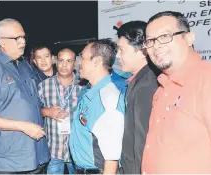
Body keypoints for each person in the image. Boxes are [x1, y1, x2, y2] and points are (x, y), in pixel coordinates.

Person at [0, 18, 50, 174]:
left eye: (23, 37)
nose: (22, 42)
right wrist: (24, 126)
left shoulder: (25, 66)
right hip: (9, 159)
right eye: (17, 38)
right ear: (2, 42)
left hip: (36, 154)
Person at [142, 11, 211, 174]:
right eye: (150, 41)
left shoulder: (208, 79)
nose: (156, 46)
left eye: (165, 36)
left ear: (189, 38)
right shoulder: (161, 89)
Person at [70, 39, 125, 174]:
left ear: (96, 61)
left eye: (82, 57)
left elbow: (111, 160)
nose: (78, 63)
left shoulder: (108, 100)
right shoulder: (90, 92)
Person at [116, 21, 159, 174]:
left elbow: (143, 143)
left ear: (142, 51)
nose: (117, 55)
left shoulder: (146, 87)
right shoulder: (140, 80)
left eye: (121, 50)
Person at [38, 48, 81, 174]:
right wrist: (46, 112)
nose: (64, 65)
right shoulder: (44, 86)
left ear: (75, 64)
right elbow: (33, 112)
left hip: (76, 150)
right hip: (53, 149)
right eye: (61, 60)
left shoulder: (83, 86)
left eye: (69, 61)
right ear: (56, 62)